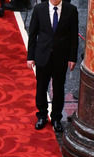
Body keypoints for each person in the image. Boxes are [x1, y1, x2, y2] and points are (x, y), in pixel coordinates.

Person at [27, 0, 78, 132]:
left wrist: (72, 57)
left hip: (61, 57)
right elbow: (32, 34)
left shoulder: (71, 10)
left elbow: (74, 37)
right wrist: (30, 57)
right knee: (41, 87)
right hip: (42, 55)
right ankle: (42, 116)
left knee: (59, 88)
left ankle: (56, 118)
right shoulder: (39, 9)